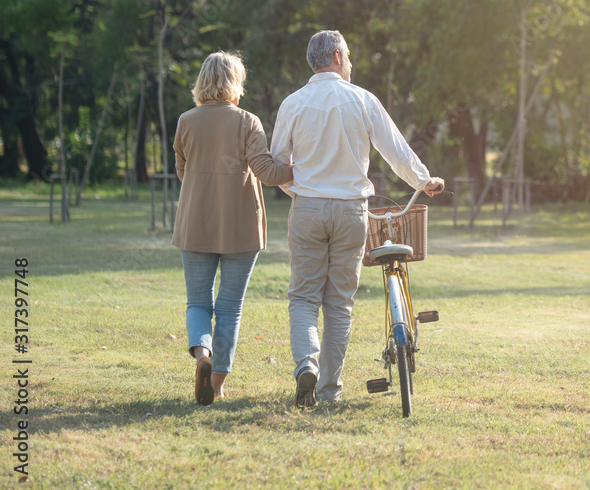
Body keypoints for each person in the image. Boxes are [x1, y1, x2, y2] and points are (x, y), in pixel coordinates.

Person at [270, 30, 444, 408]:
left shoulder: (293, 103)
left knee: (302, 297)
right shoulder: (362, 99)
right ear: (336, 56)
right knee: (339, 303)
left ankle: (306, 366)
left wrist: (300, 191)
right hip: (352, 211)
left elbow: (278, 164)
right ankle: (329, 390)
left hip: (308, 208)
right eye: (348, 56)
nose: (351, 64)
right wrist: (423, 180)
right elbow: (394, 149)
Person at [172, 51, 293, 406]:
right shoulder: (248, 122)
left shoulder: (186, 121)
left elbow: (182, 172)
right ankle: (219, 383)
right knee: (229, 307)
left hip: (195, 224)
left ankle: (203, 355)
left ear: (202, 83)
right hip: (241, 227)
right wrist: (302, 168)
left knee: (198, 302)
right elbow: (268, 173)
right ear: (235, 83)